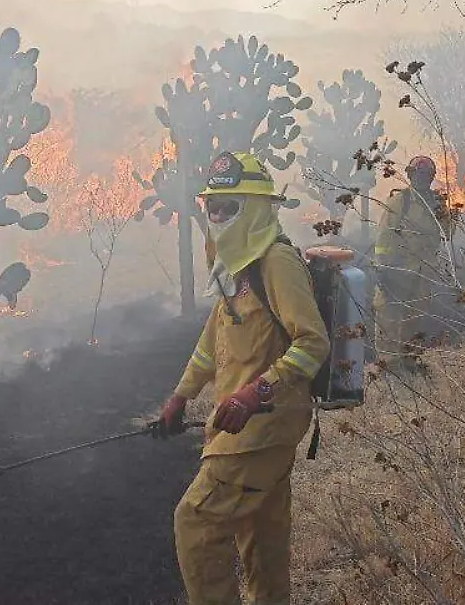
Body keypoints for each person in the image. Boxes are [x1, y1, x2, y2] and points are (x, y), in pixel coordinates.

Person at [150, 151, 330, 605]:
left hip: (261, 429)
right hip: (245, 427)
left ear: (256, 207)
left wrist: (256, 392)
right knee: (262, 539)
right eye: (213, 207)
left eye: (230, 207)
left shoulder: (276, 262)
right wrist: (181, 394)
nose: (218, 217)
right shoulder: (236, 267)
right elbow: (212, 345)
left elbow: (312, 342)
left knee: (195, 521)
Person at [371, 155, 447, 360]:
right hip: (396, 273)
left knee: (414, 321)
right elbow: (384, 236)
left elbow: (448, 234)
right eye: (418, 174)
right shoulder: (400, 201)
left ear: (432, 177)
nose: (421, 178)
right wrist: (383, 269)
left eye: (426, 174)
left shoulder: (437, 204)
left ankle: (409, 364)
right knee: (388, 322)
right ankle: (388, 370)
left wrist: (448, 213)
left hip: (423, 276)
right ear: (410, 175)